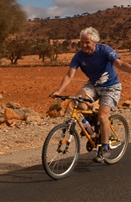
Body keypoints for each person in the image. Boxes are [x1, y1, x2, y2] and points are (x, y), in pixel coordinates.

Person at [50, 27, 131, 163]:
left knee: (103, 115)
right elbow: (69, 75)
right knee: (78, 103)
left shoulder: (104, 49)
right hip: (93, 85)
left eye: (87, 42)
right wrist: (59, 91)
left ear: (95, 42)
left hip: (111, 87)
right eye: (81, 42)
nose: (84, 45)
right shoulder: (79, 56)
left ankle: (105, 147)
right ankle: (94, 123)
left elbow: (120, 63)